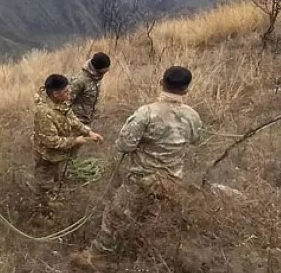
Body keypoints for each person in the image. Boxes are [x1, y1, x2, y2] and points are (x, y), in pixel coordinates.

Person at [96, 65, 203, 251]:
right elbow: (195, 140)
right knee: (156, 224)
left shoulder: (146, 113)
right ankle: (146, 256)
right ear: (186, 89)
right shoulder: (193, 116)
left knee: (115, 217)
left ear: (161, 83)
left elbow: (124, 145)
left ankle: (99, 255)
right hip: (171, 182)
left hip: (140, 181)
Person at [32, 74, 103, 206]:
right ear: (55, 94)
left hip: (58, 154)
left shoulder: (61, 101)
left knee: (56, 178)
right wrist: (74, 141)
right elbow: (51, 141)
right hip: (46, 155)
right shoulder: (44, 113)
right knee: (44, 184)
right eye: (66, 91)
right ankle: (41, 208)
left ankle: (52, 198)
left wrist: (89, 132)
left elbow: (72, 119)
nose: (70, 92)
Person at [69, 52, 111, 129]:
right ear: (99, 68)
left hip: (88, 120)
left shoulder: (96, 77)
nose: (108, 70)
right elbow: (66, 102)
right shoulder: (80, 80)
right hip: (76, 123)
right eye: (106, 68)